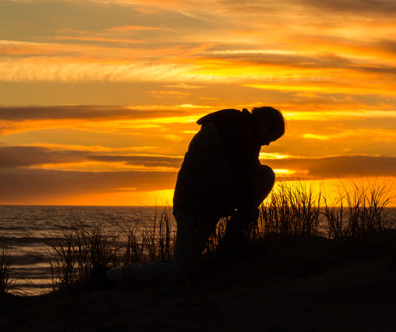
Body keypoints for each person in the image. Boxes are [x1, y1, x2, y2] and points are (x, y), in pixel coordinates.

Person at [106, 106, 285, 284]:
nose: (268, 143)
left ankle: (231, 244)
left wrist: (245, 213)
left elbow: (244, 175)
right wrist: (247, 212)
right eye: (271, 137)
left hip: (210, 202)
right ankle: (111, 275)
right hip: (195, 208)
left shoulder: (242, 132)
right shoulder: (232, 131)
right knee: (180, 271)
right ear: (264, 125)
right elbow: (239, 175)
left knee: (265, 175)